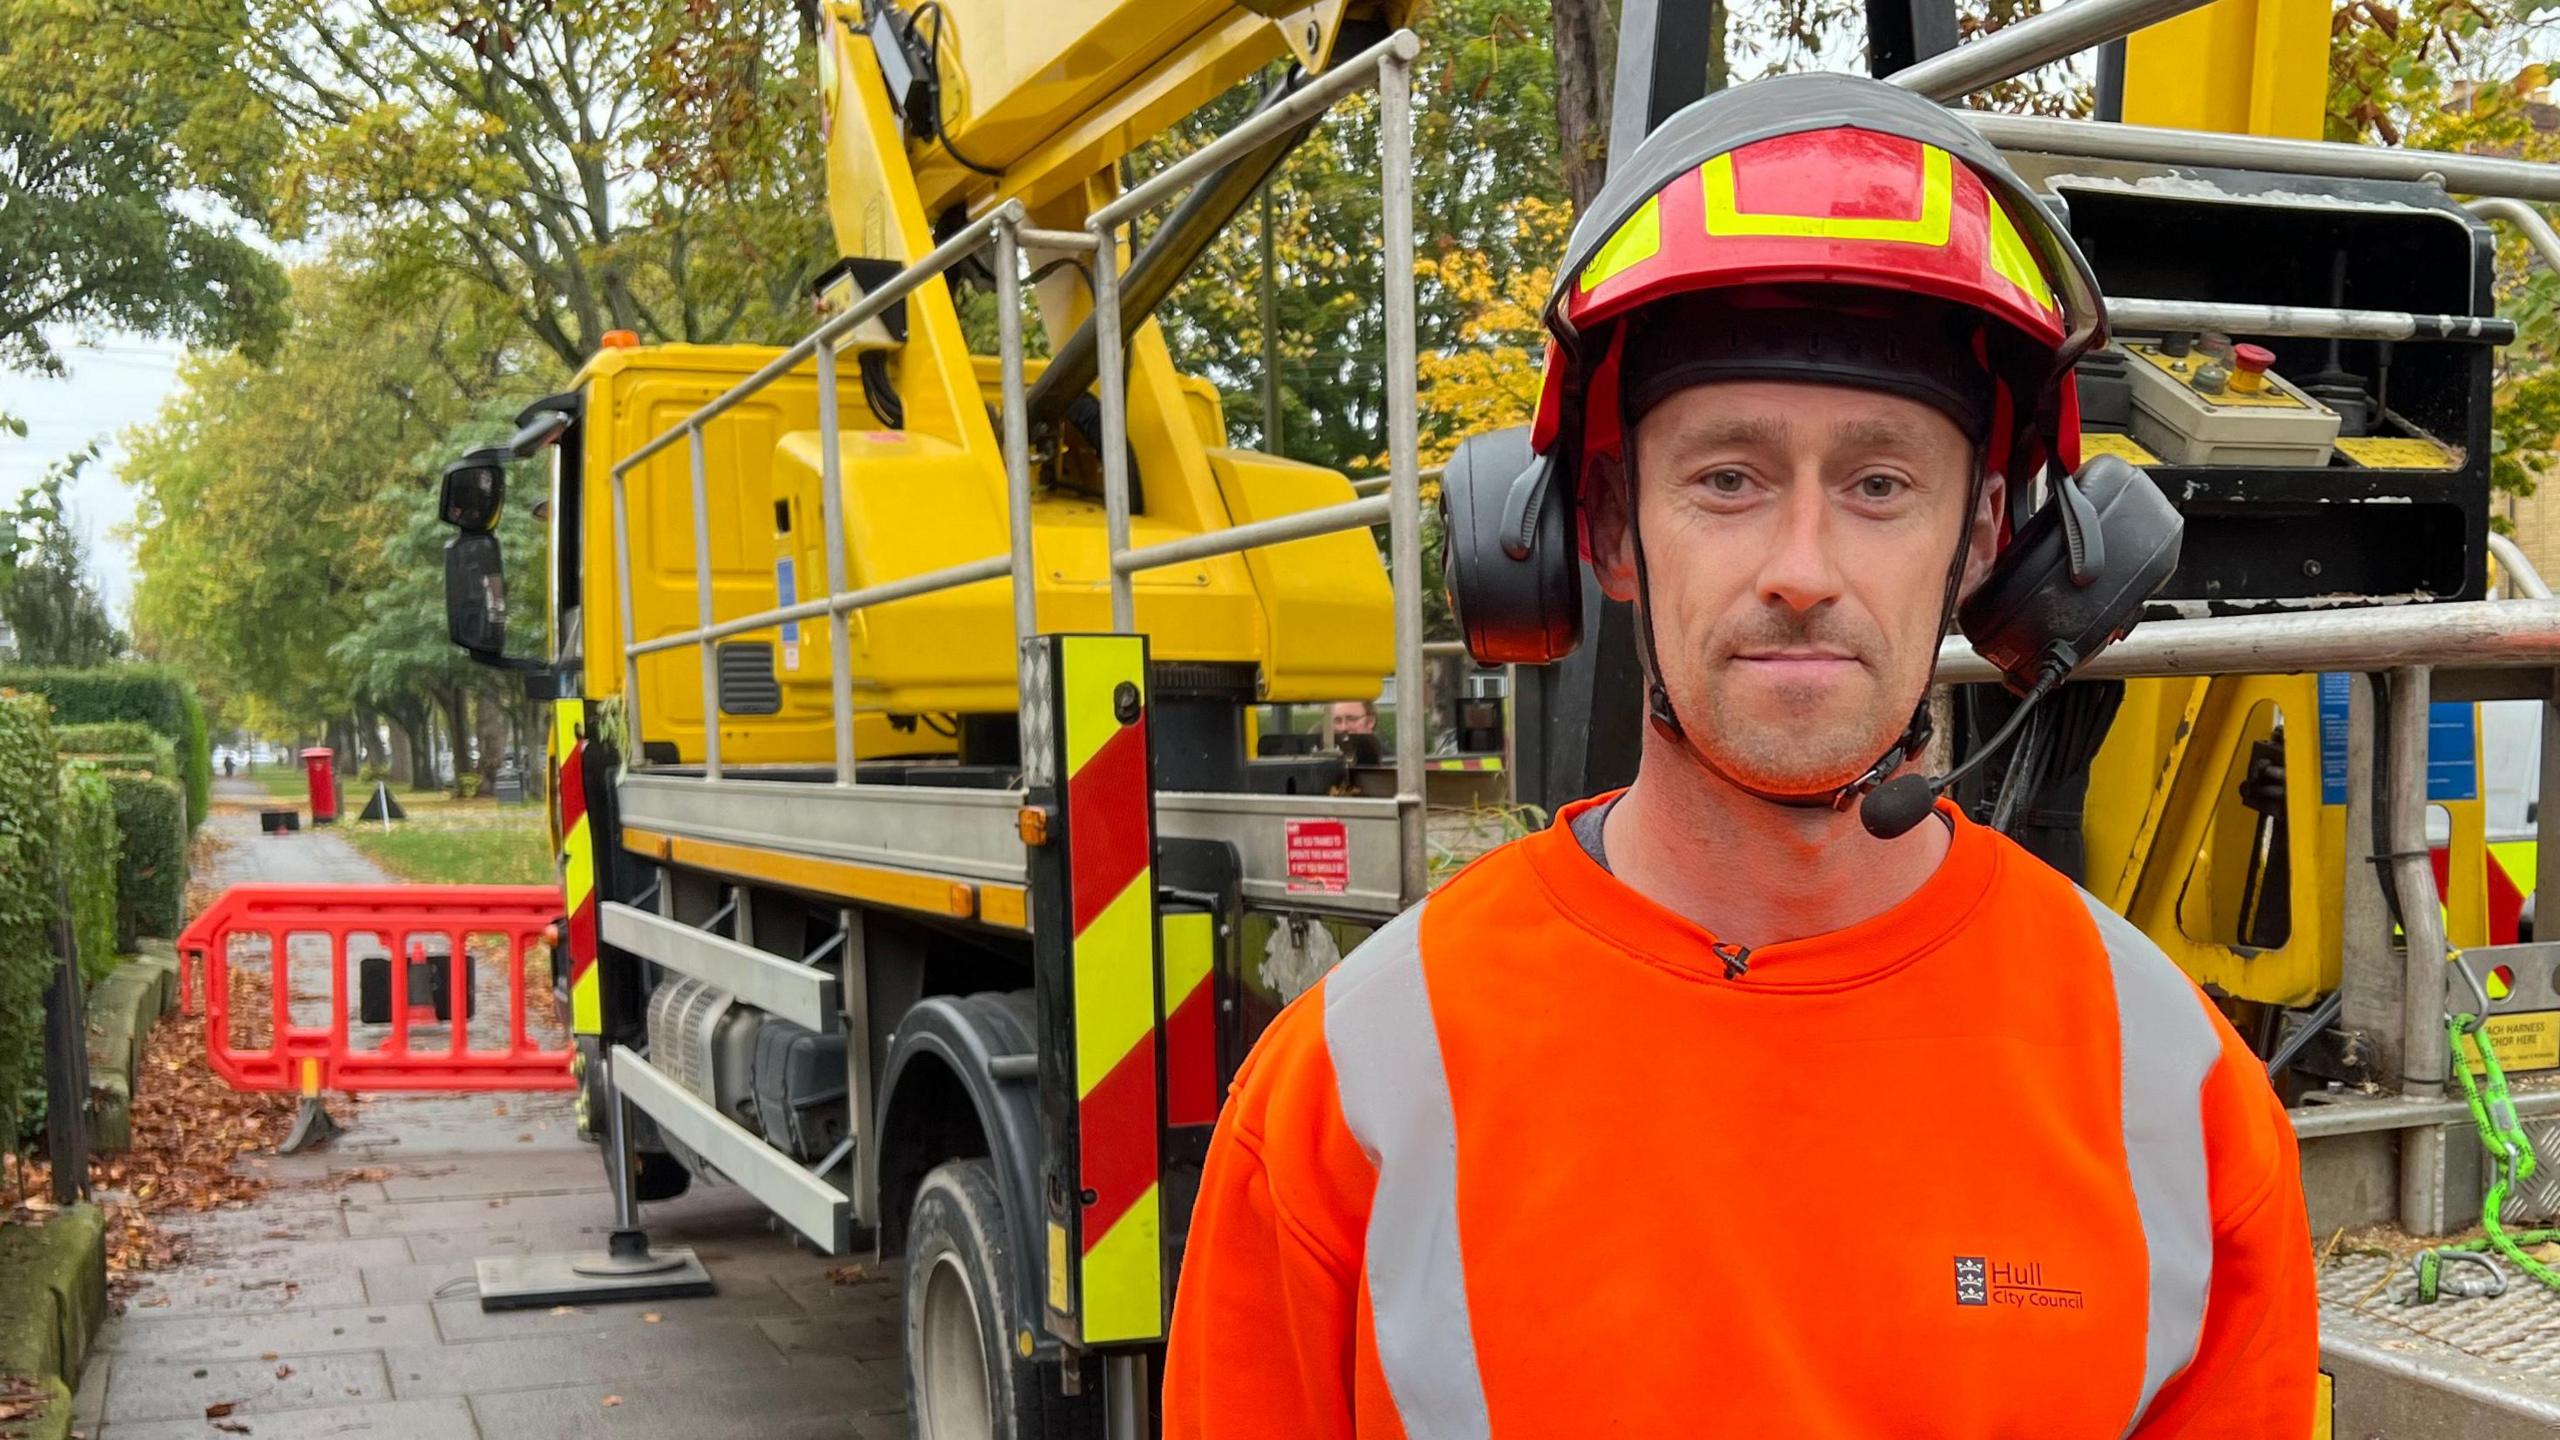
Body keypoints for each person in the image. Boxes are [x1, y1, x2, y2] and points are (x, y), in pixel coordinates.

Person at [1163, 74, 2313, 1437]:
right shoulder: (1351, 1088)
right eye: (1728, 479)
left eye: (1880, 484)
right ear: (1597, 527)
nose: (1804, 570)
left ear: (1991, 535)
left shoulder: (2174, 1099)